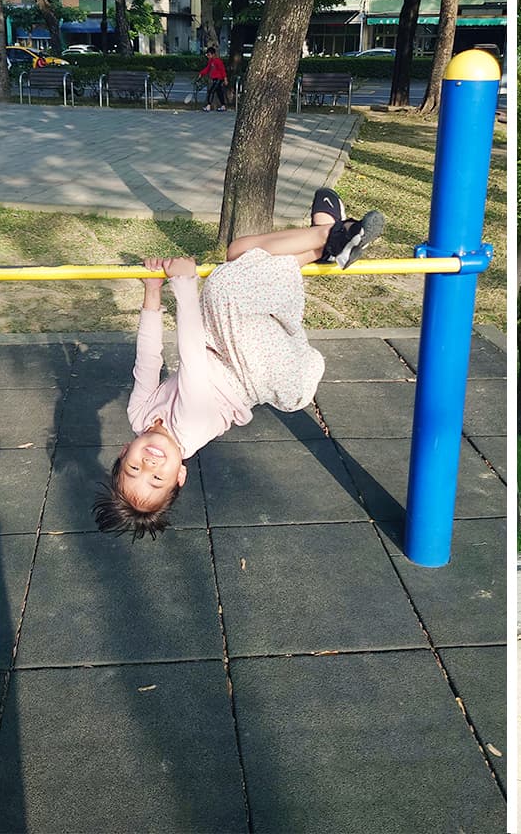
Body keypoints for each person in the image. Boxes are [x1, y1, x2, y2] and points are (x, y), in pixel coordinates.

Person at [94, 189, 386, 537]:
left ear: (125, 451)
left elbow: (148, 358)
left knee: (240, 252)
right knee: (222, 286)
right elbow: (190, 359)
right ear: (180, 475)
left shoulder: (138, 416)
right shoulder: (188, 429)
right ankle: (332, 234)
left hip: (229, 349)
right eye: (157, 478)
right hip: (262, 372)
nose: (149, 464)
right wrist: (184, 284)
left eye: (133, 468)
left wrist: (152, 291)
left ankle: (331, 236)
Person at [199, 45, 229, 111]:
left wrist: (225, 79)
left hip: (219, 79)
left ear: (213, 54)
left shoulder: (218, 61)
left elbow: (222, 70)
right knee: (219, 92)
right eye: (207, 55)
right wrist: (201, 73)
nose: (208, 56)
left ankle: (208, 105)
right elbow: (207, 69)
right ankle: (223, 106)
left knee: (211, 91)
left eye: (209, 55)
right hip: (215, 79)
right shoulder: (210, 61)